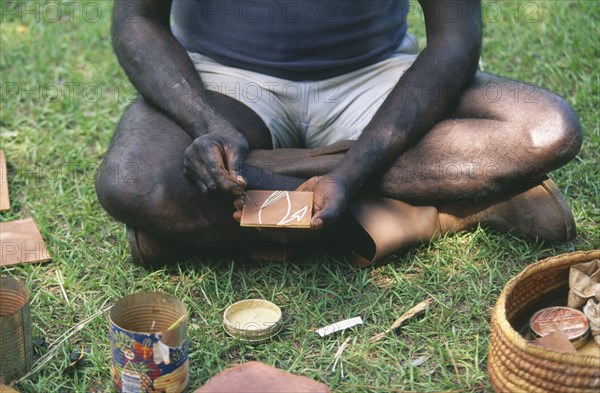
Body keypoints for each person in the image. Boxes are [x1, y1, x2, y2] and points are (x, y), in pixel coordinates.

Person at [96, 0, 582, 267]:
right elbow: (136, 19)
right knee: (133, 182)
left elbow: (455, 39)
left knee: (544, 131)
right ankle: (440, 208)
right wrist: (206, 123)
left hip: (376, 77)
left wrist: (351, 172)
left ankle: (240, 207)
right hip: (224, 81)